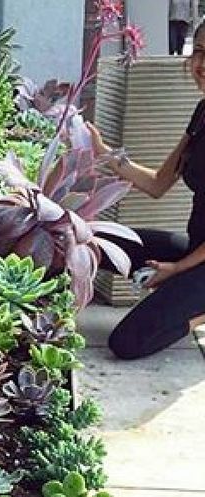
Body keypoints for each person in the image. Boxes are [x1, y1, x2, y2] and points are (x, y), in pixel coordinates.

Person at [87, 18, 205, 360]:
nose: (201, 64)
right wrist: (104, 153)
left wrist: (176, 272)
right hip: (194, 250)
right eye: (198, 51)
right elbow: (157, 183)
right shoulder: (202, 113)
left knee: (126, 343)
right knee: (91, 239)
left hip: (195, 263)